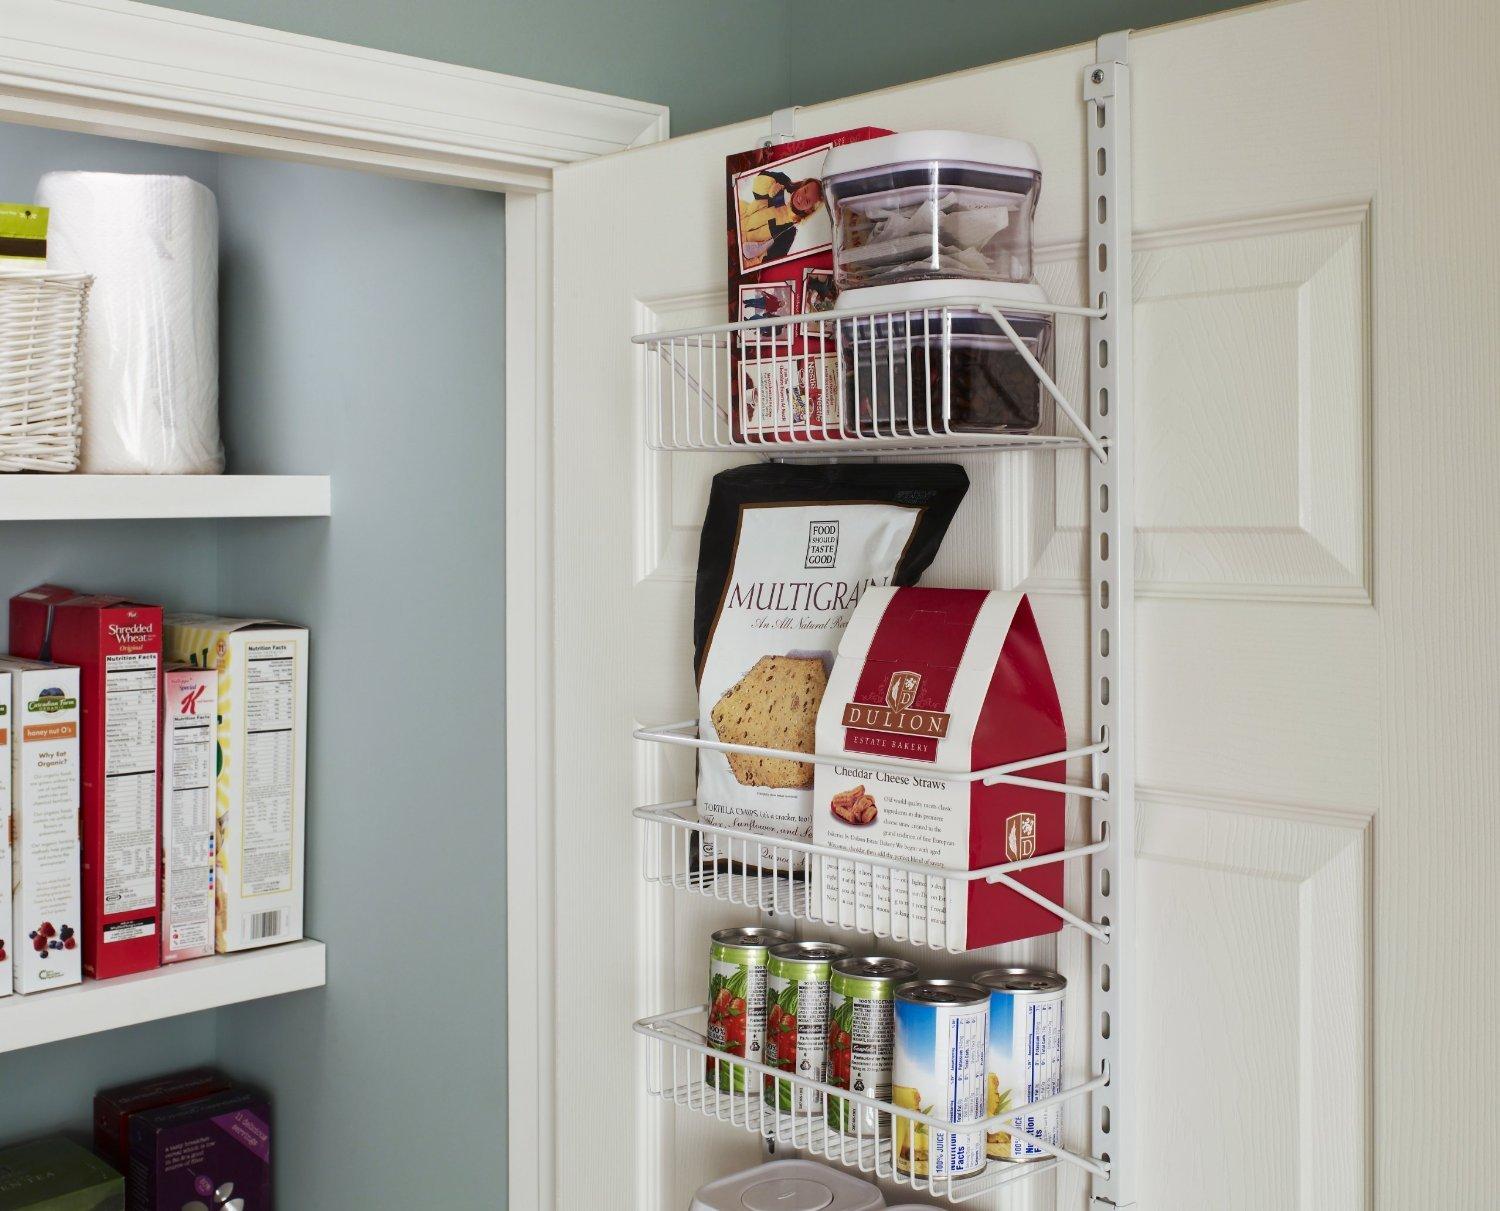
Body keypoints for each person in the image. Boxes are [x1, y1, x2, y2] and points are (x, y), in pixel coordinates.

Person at [739, 170, 824, 267]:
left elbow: (766, 262)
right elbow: (757, 187)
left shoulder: (788, 233)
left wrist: (742, 262)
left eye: (808, 201)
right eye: (805, 190)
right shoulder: (782, 183)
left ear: (808, 210)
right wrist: (770, 186)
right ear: (802, 186)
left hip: (738, 247)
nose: (801, 197)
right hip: (738, 216)